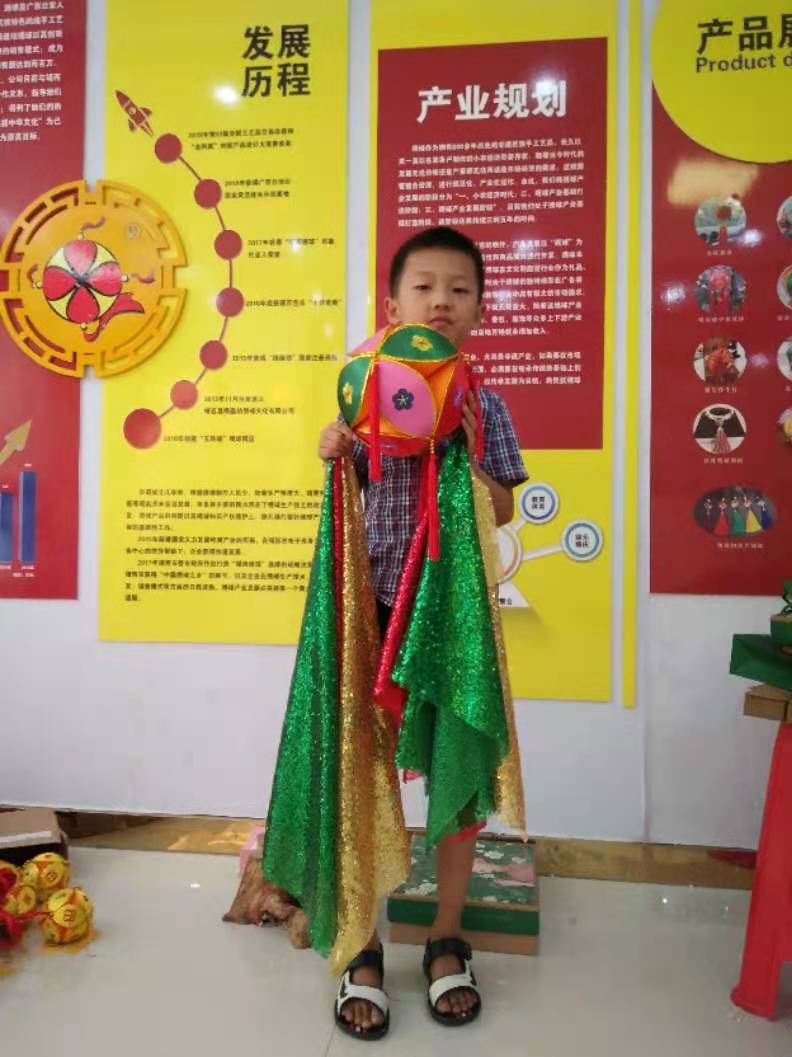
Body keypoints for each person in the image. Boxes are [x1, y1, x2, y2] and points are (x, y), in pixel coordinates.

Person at [318, 226, 528, 1038]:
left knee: (457, 780)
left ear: (479, 309)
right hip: (373, 614)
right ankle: (363, 942)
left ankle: (446, 935)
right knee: (360, 777)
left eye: (460, 289)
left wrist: (462, 455)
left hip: (452, 626)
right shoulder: (366, 388)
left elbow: (502, 504)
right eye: (425, 287)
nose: (442, 301)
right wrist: (335, 446)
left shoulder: (484, 403)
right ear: (393, 304)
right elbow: (349, 489)